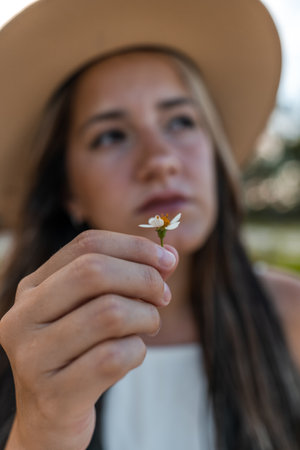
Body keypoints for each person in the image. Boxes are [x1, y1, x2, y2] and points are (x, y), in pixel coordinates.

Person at [0, 0, 299, 449]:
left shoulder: (292, 318)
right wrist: (42, 427)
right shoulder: (17, 336)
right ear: (69, 192)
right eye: (112, 135)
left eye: (180, 121)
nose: (160, 161)